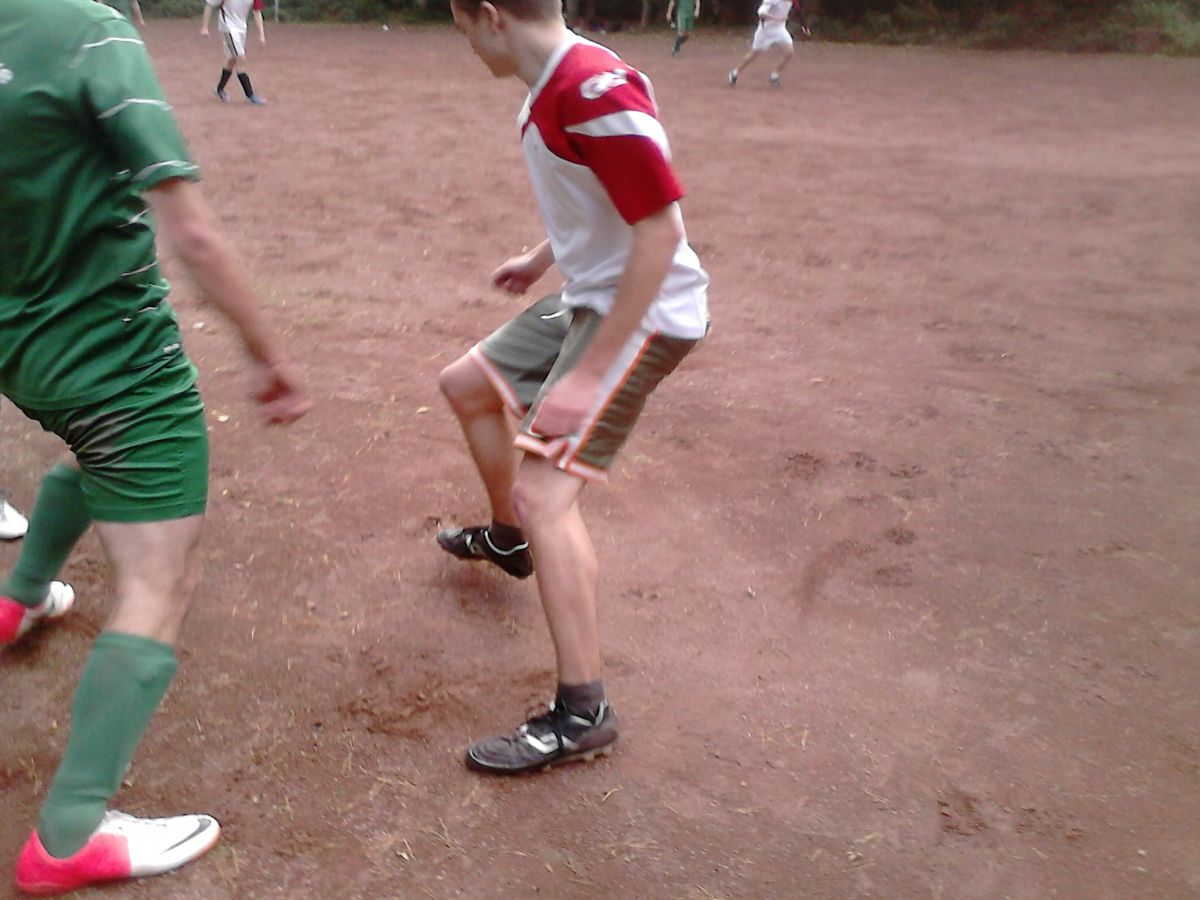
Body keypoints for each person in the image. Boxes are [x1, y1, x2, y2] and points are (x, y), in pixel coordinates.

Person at [0, 0, 309, 893]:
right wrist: (270, 357)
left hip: (19, 348)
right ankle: (70, 833)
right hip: (117, 359)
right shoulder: (90, 32)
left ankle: (19, 599)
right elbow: (193, 232)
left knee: (98, 456)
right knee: (160, 581)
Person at [440, 0, 710, 775]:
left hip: (643, 311)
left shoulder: (594, 90)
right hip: (592, 293)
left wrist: (588, 376)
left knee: (547, 495)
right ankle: (508, 541)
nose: (464, 42)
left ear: (488, 15)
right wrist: (540, 260)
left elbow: (660, 229)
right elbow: (606, 198)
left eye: (460, 25)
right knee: (466, 385)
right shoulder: (552, 83)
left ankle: (584, 712)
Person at [200, 0, 268, 105]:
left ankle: (219, 89)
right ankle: (250, 95)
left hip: (242, 28)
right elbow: (209, 5)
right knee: (240, 58)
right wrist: (204, 27)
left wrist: (261, 34)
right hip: (228, 27)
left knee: (232, 59)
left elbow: (257, 12)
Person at [728, 0, 801, 88]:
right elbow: (761, 13)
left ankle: (774, 76)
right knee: (754, 54)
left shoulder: (791, 2)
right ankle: (734, 72)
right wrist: (777, 18)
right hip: (765, 30)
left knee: (789, 52)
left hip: (780, 29)